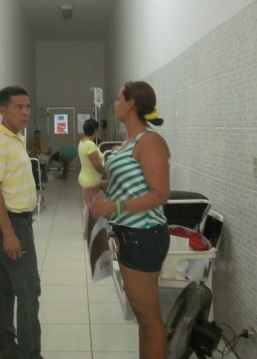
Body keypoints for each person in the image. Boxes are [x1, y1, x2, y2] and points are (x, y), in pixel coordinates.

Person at [89, 81, 170, 359]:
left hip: (143, 235)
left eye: (118, 98)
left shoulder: (150, 141)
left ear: (131, 103)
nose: (114, 103)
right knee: (141, 317)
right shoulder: (128, 142)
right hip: (129, 234)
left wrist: (114, 206)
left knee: (149, 318)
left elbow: (160, 194)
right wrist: (102, 185)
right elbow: (131, 183)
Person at [0, 86, 42, 359]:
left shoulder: (15, 138)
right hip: (11, 223)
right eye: (19, 107)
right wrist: (8, 234)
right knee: (29, 290)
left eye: (27, 106)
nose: (25, 112)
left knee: (6, 288)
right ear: (3, 110)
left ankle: (5, 350)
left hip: (20, 221)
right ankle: (29, 354)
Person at [78, 118, 106, 231]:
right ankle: (90, 229)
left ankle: (89, 229)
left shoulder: (83, 141)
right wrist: (106, 173)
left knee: (88, 204)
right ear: (95, 130)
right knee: (90, 206)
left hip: (86, 178)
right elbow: (97, 166)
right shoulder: (90, 145)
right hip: (91, 181)